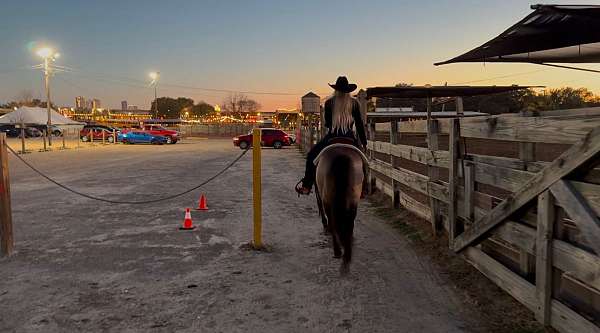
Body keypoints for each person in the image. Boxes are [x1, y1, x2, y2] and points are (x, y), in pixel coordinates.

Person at [295, 76, 367, 195]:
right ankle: (364, 188)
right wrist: (364, 142)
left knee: (311, 156)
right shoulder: (354, 103)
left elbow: (328, 124)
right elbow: (359, 124)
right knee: (362, 161)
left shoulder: (329, 103)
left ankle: (307, 185)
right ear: (348, 90)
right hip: (349, 136)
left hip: (333, 136)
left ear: (336, 89)